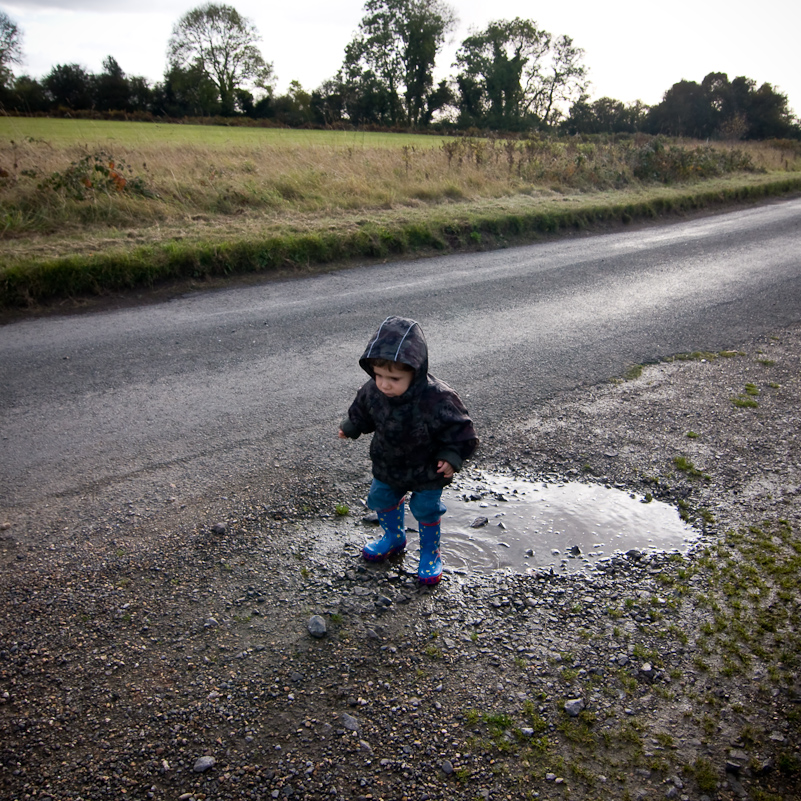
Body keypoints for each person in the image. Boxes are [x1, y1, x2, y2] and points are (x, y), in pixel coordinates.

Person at [338, 316, 478, 584]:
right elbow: (363, 412)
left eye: (394, 377)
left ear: (415, 372)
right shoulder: (373, 392)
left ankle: (430, 552)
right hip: (388, 463)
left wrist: (452, 456)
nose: (384, 384)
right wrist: (353, 425)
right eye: (378, 375)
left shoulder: (438, 398)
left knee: (426, 508)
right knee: (381, 497)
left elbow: (460, 431)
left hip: (427, 468)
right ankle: (393, 537)